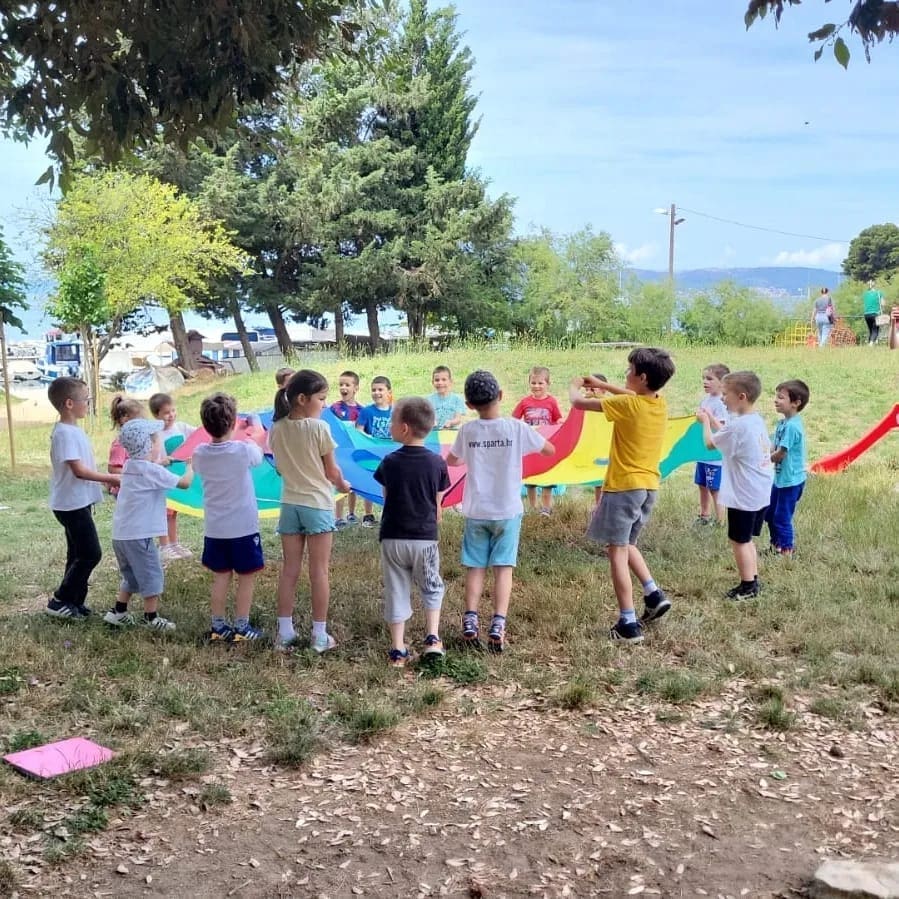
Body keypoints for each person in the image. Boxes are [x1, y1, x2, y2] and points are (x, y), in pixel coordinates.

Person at [569, 348, 676, 644]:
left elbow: (578, 403)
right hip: (648, 487)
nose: (626, 375)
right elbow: (631, 394)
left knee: (616, 551)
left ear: (642, 378)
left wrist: (575, 385)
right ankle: (653, 594)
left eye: (630, 371)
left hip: (624, 487)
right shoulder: (658, 402)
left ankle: (627, 622)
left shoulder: (627, 405)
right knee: (628, 544)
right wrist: (602, 385)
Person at [446, 371, 555, 652]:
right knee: (503, 568)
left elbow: (452, 460)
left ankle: (470, 619)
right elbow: (549, 450)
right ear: (502, 396)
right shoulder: (516, 428)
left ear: (469, 405)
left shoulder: (467, 431)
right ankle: (498, 623)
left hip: (476, 510)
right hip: (507, 510)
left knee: (475, 566)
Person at [270, 370, 352, 652]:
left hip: (289, 505)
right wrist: (343, 484)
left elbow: (280, 467)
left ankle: (284, 633)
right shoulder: (319, 428)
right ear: (303, 399)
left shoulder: (276, 428)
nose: (324, 404)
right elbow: (332, 471)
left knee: (289, 571)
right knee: (319, 572)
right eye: (321, 398)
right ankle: (319, 636)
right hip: (317, 504)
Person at [373, 397, 451, 667]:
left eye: (392, 422)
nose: (390, 426)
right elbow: (438, 505)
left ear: (404, 428)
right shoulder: (437, 463)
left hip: (392, 537)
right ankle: (432, 638)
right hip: (424, 539)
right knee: (431, 585)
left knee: (396, 589)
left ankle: (397, 650)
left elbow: (386, 497)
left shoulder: (389, 462)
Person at [104, 419, 194, 631]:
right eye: (157, 442)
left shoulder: (129, 465)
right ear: (149, 446)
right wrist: (192, 467)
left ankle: (118, 612)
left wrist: (162, 462)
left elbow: (147, 469)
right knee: (152, 573)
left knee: (131, 575)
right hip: (140, 537)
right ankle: (151, 618)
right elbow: (184, 483)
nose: (159, 445)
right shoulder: (151, 471)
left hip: (121, 536)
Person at [192, 393, 266, 642]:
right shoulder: (243, 451)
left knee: (221, 576)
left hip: (215, 529)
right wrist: (254, 425)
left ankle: (218, 626)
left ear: (205, 425)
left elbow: (199, 463)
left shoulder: (200, 453)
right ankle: (242, 627)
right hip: (243, 528)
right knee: (246, 577)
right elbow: (259, 447)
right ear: (234, 423)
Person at [46, 377, 121, 619]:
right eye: (86, 400)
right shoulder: (64, 434)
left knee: (77, 553)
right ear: (69, 403)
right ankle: (60, 600)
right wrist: (111, 478)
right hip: (70, 505)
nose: (89, 404)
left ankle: (74, 602)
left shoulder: (73, 430)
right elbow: (78, 471)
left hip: (78, 502)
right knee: (91, 553)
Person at [697, 371, 773, 601]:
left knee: (738, 540)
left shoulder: (738, 427)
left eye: (726, 394)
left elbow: (710, 443)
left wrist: (704, 422)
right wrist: (713, 418)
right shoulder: (755, 420)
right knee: (747, 539)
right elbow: (727, 432)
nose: (722, 398)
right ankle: (753, 578)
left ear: (741, 396)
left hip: (744, 495)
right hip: (760, 491)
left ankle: (747, 586)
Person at [149, 392, 196, 561]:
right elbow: (151, 460)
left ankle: (174, 543)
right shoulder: (155, 435)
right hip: (163, 479)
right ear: (156, 415)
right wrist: (161, 462)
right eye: (166, 413)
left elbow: (198, 434)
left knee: (173, 513)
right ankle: (164, 546)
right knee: (164, 513)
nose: (171, 415)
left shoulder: (181, 427)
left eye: (173, 411)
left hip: (176, 479)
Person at [765, 379, 809, 557]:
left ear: (796, 403)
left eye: (781, 397)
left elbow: (780, 454)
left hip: (791, 482)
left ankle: (786, 552)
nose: (776, 400)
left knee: (782, 518)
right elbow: (772, 446)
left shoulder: (792, 427)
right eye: (776, 396)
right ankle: (776, 546)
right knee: (769, 514)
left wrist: (762, 460)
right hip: (780, 479)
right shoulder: (782, 423)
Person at [512, 365, 563, 516]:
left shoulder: (551, 402)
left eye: (541, 383)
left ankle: (546, 508)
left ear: (548, 384)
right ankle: (532, 507)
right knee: (531, 479)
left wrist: (560, 422)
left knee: (547, 478)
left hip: (545, 446)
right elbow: (514, 419)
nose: (537, 386)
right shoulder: (524, 402)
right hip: (530, 446)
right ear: (529, 383)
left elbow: (558, 418)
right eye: (533, 383)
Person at [693, 363, 730, 526]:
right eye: (704, 378)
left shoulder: (722, 403)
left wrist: (708, 417)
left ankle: (720, 521)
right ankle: (704, 515)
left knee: (715, 488)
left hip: (715, 457)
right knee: (702, 485)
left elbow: (723, 429)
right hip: (703, 454)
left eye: (709, 379)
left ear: (722, 383)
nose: (705, 382)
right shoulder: (706, 400)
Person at [356, 375, 393, 527]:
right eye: (374, 390)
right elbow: (358, 430)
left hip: (390, 452)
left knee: (390, 482)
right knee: (370, 480)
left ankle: (389, 512)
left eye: (380, 390)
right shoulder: (367, 411)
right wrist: (369, 439)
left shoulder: (395, 411)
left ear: (389, 392)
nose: (376, 393)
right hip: (371, 452)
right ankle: (368, 514)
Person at [330, 370, 362, 528]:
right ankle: (338, 517)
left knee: (353, 483)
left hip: (353, 451)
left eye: (347, 385)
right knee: (340, 481)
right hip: (338, 452)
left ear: (356, 388)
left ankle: (352, 513)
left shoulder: (362, 410)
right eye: (341, 384)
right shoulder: (334, 408)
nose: (343, 387)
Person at [108, 395, 147, 496]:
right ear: (125, 421)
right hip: (125, 491)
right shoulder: (120, 444)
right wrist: (135, 474)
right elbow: (112, 469)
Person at [428, 365, 466, 430]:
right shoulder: (429, 400)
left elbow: (458, 419)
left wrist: (450, 422)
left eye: (444, 380)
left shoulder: (457, 399)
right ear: (432, 382)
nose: (440, 382)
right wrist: (431, 421)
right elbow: (426, 417)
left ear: (450, 382)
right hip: (434, 432)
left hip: (452, 432)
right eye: (437, 380)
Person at [862, 280, 885, 345]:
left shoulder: (865, 294)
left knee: (871, 330)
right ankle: (871, 344)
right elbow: (883, 304)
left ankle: (870, 343)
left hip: (866, 314)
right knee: (875, 330)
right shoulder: (879, 293)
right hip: (875, 314)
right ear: (875, 285)